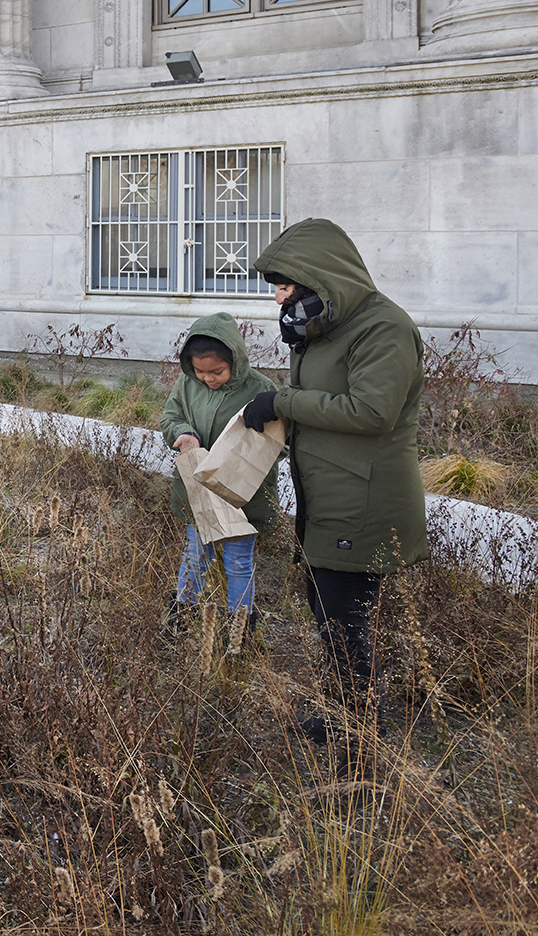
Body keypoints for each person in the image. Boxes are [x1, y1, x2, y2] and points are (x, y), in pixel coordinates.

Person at [246, 219, 426, 743]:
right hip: (329, 496)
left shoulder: (383, 328)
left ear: (319, 280)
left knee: (346, 622)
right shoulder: (326, 327)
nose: (279, 301)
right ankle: (342, 714)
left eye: (285, 287)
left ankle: (364, 742)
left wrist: (283, 401)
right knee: (328, 613)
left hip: (364, 498)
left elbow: (373, 410)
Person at [160, 313, 279, 648]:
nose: (207, 379)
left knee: (239, 560)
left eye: (216, 372)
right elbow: (171, 416)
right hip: (198, 489)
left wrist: (238, 461)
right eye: (200, 372)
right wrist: (182, 434)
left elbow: (278, 443)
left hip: (242, 496)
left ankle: (239, 631)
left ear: (235, 362)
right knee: (196, 553)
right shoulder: (187, 384)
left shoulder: (261, 390)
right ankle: (180, 618)